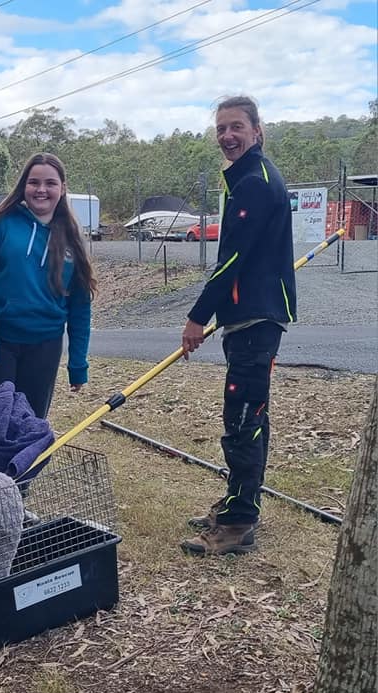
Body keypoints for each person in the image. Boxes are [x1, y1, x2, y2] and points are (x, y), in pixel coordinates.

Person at [180, 95, 296, 557]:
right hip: (249, 317)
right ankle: (237, 503)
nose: (228, 136)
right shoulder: (248, 176)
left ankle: (238, 523)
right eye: (221, 129)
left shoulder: (255, 182)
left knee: (243, 419)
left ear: (256, 129)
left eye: (236, 127)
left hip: (256, 317)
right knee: (250, 416)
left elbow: (230, 259)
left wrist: (196, 317)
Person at [0, 152, 96, 422]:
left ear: (62, 189)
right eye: (34, 182)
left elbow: (80, 308)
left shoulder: (73, 239)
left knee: (29, 425)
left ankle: (26, 467)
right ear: (24, 186)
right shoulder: (0, 226)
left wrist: (78, 365)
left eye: (50, 183)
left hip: (45, 347)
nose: (41, 190)